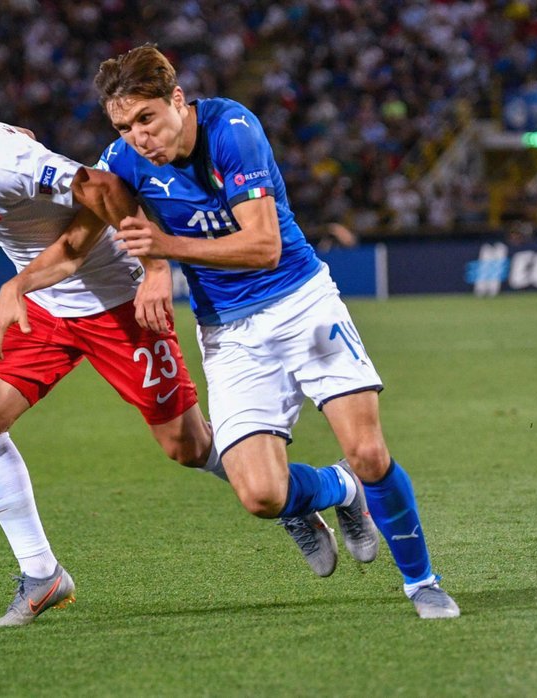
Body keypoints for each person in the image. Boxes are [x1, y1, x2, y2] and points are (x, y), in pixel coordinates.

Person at [90, 45, 459, 619]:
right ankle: (339, 491)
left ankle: (423, 582)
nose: (138, 137)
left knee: (367, 449)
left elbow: (264, 246)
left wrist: (166, 250)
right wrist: (156, 269)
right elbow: (112, 210)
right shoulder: (123, 160)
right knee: (262, 495)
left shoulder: (232, 130)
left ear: (178, 101)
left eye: (146, 119)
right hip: (228, 333)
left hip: (301, 304)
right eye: (124, 125)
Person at [0, 91, 228, 627]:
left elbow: (104, 187)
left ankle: (297, 491)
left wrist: (155, 268)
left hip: (114, 300)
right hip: (44, 306)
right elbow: (29, 146)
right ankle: (43, 574)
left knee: (188, 445)